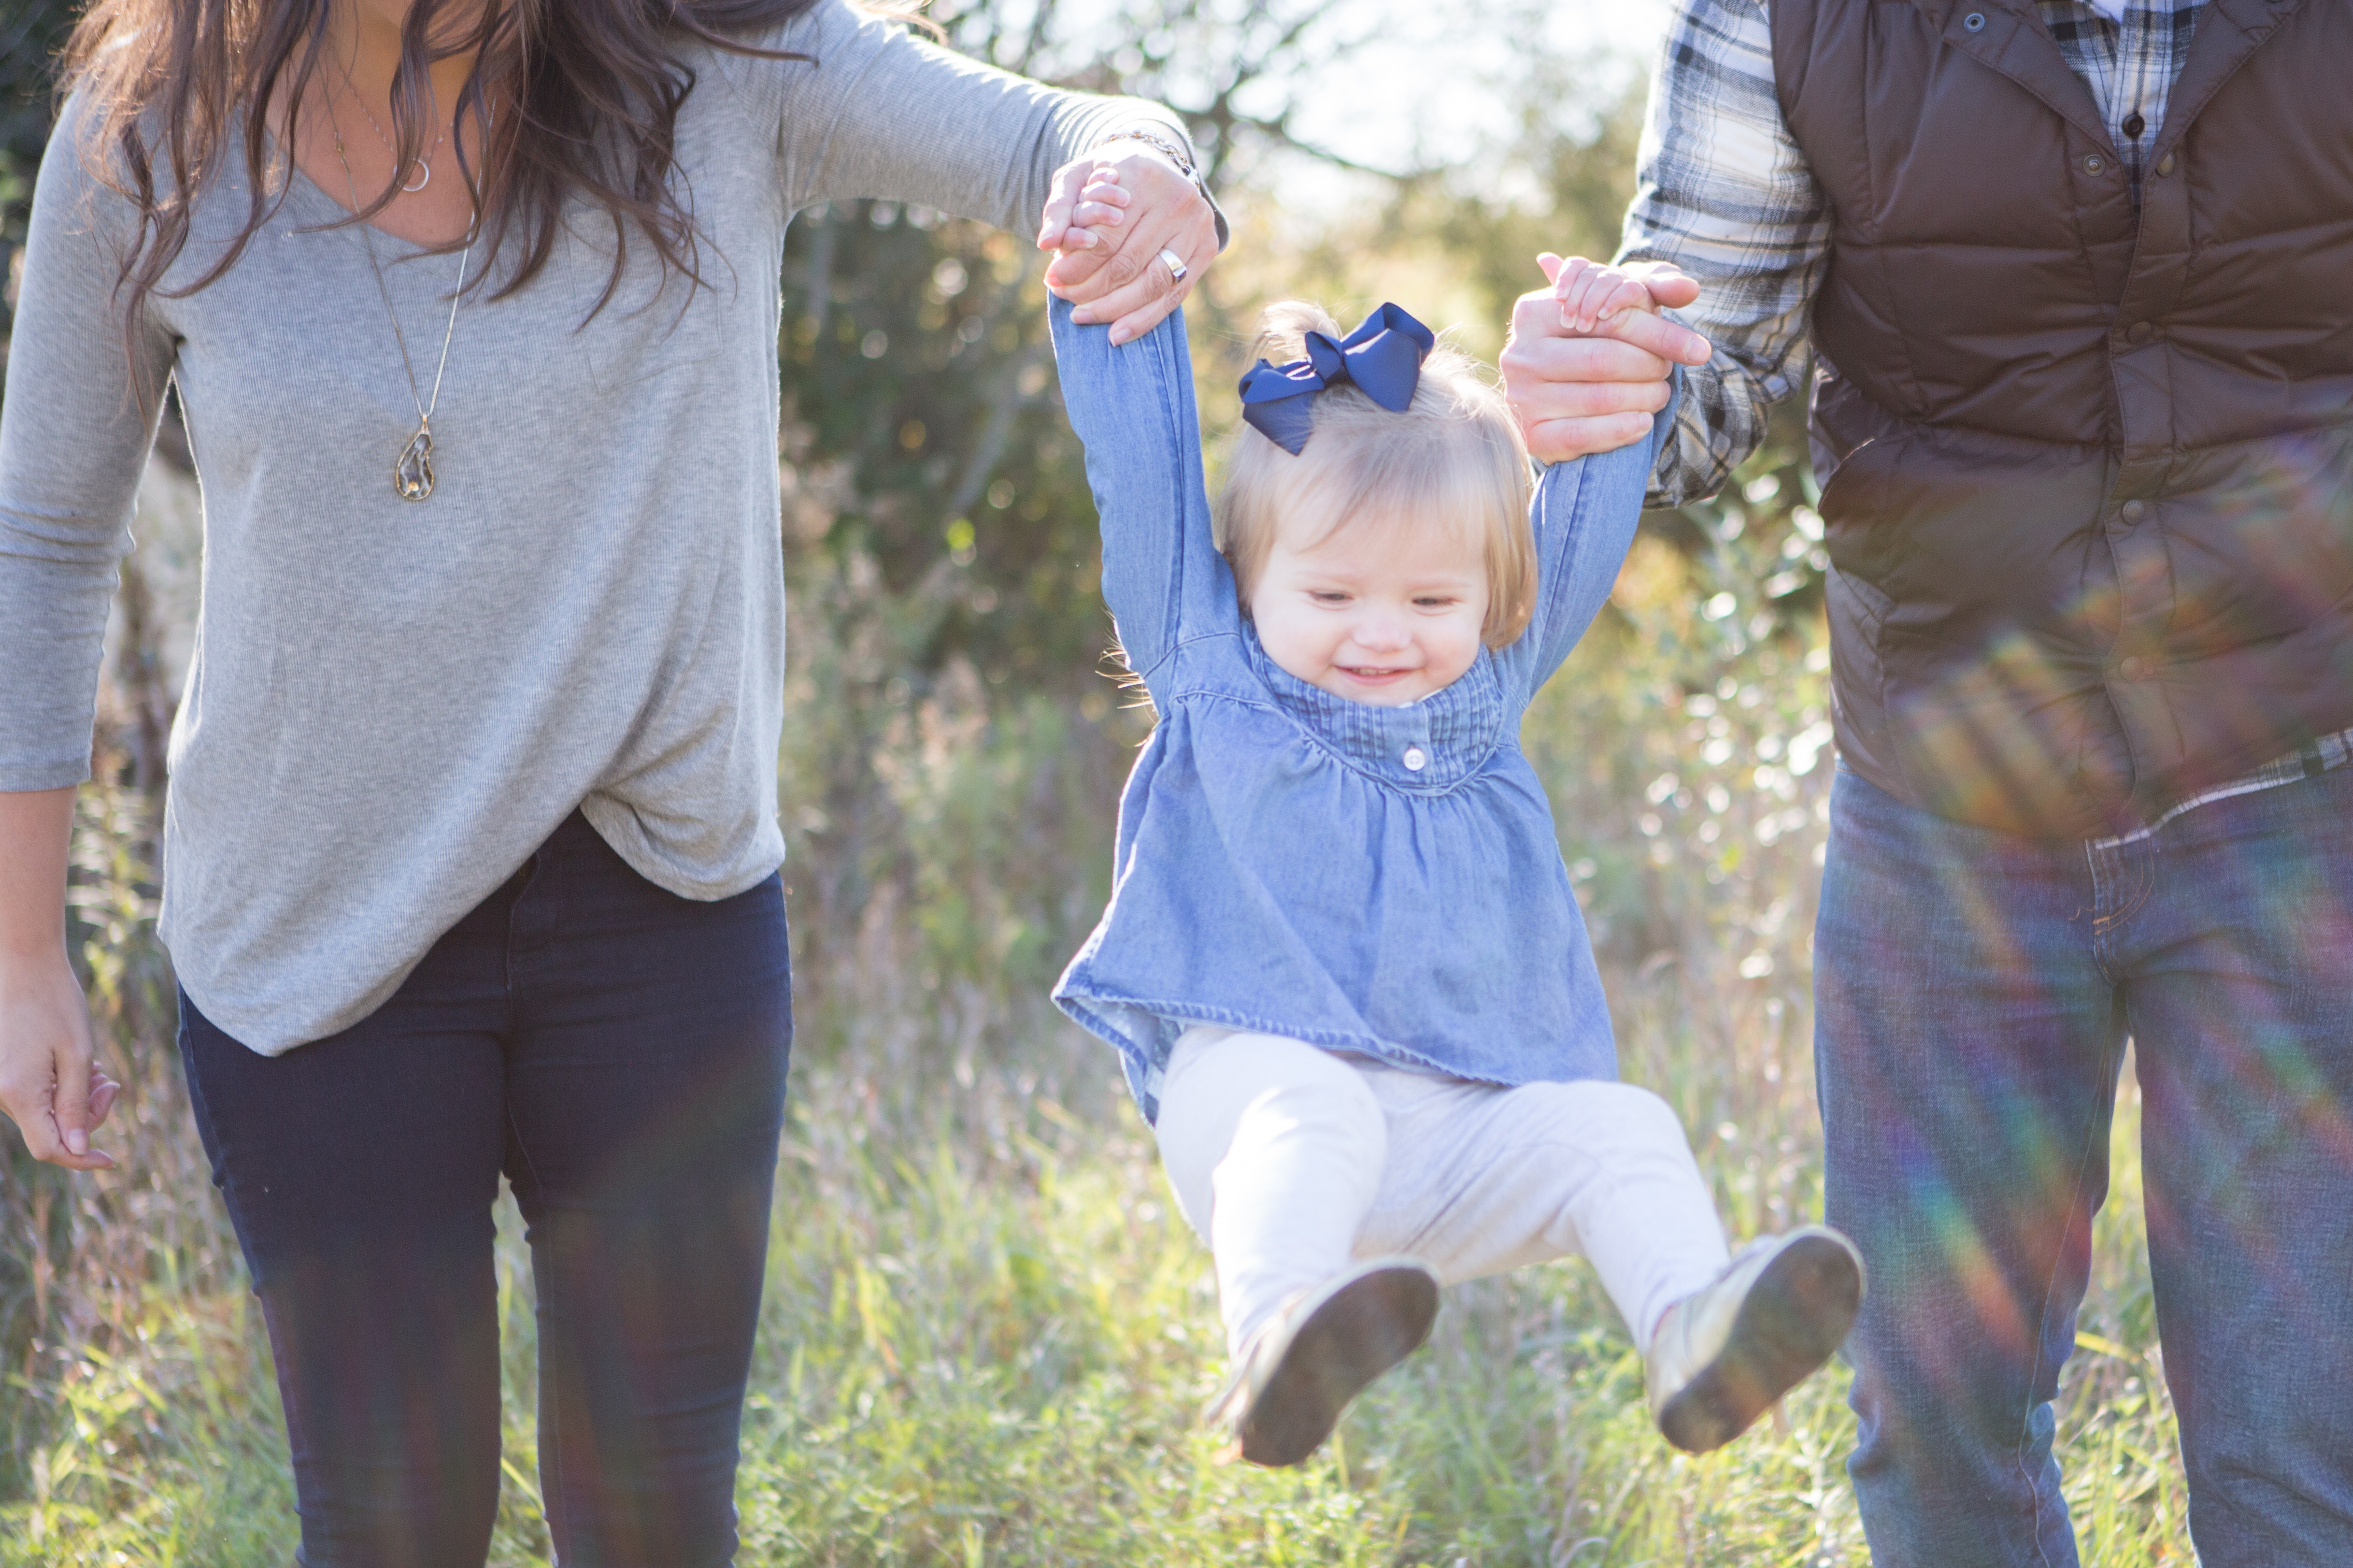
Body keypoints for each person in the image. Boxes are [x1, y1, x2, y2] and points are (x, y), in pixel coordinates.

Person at [0, 0, 1219, 1560]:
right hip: (310, 928)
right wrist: (26, 952)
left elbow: (1059, 135)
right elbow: (44, 538)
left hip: (660, 914)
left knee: (654, 1519)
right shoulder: (151, 134)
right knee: (391, 1526)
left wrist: (1145, 173)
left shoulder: (717, 62)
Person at [1503, 3, 2353, 1564]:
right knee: (1938, 1432)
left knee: (2303, 1447)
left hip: (2298, 790)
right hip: (1943, 814)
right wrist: (1600, 377)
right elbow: (1702, 387)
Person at [1039, 208, 1864, 1468]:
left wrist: (1612, 341)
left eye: (1431, 598)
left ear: (1490, 596)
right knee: (1313, 1103)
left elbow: (1586, 496)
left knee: (1620, 1124)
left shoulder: (1487, 685)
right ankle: (1279, 1338)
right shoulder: (1210, 663)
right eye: (1332, 593)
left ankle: (1691, 1326)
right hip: (1255, 1112)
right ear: (1247, 575)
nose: (1384, 631)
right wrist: (1121, 279)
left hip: (1448, 1136)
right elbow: (1136, 463)